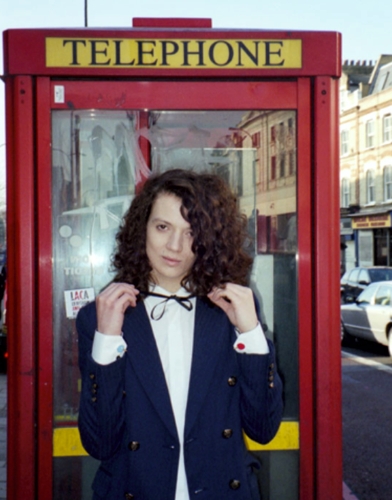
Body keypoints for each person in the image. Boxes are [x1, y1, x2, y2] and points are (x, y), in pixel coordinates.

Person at [77, 168, 283, 500]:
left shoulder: (232, 309)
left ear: (210, 240)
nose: (175, 246)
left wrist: (252, 334)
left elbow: (263, 429)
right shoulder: (101, 317)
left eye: (192, 233)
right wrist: (107, 342)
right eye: (163, 227)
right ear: (141, 227)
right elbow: (100, 442)